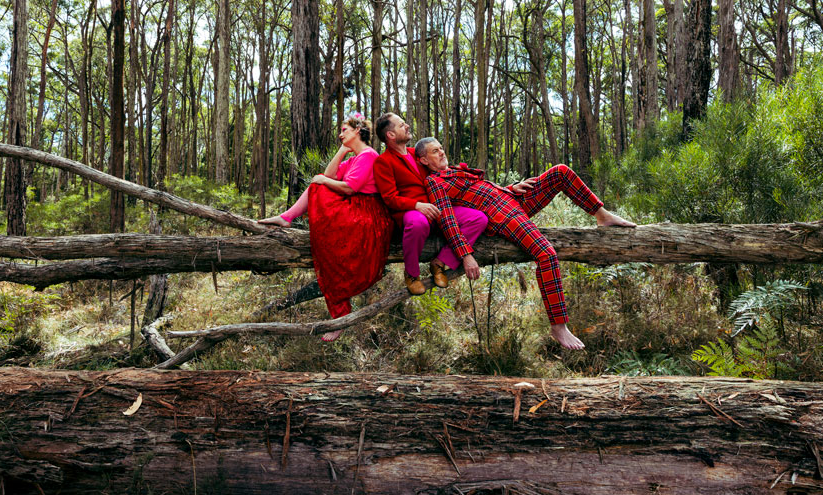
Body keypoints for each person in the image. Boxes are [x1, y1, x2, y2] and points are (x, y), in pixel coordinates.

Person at [414, 136, 636, 350]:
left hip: (512, 198)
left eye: (441, 147)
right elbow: (448, 221)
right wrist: (466, 254)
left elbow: (481, 190)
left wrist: (510, 188)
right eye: (435, 151)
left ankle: (602, 215)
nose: (442, 152)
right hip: (503, 216)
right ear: (424, 160)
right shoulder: (435, 183)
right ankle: (558, 326)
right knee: (546, 254)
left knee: (560, 172)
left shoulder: (455, 171)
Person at [260, 114, 393, 342]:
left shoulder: (368, 155)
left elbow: (349, 188)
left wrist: (321, 181)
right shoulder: (354, 158)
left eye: (344, 130)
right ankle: (287, 216)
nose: (341, 135)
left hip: (368, 214)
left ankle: (287, 216)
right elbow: (330, 175)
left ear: (358, 131)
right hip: (356, 209)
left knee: (318, 186)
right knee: (319, 185)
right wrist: (341, 152)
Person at [373, 113, 488, 294]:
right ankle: (412, 274)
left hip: (439, 207)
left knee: (478, 219)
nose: (407, 126)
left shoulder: (418, 153)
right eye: (402, 125)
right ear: (391, 135)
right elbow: (389, 198)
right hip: (412, 213)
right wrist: (417, 205)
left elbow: (441, 171)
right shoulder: (383, 162)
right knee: (417, 222)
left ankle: (440, 262)